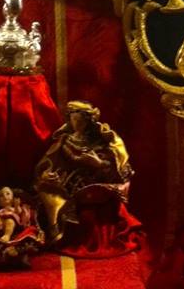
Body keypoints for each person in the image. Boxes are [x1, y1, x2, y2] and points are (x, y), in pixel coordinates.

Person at [35, 100, 143, 257]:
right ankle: (56, 232)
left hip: (96, 185)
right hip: (69, 185)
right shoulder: (65, 141)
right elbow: (48, 163)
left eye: (81, 120)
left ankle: (92, 240)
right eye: (73, 119)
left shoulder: (101, 141)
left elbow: (118, 169)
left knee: (92, 212)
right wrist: (47, 174)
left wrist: (99, 164)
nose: (77, 124)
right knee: (50, 195)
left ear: (89, 121)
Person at [0, 185, 44, 269]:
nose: (5, 196)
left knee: (10, 220)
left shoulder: (13, 209)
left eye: (8, 194)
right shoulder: (0, 211)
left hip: (13, 224)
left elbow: (19, 212)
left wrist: (16, 205)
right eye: (1, 196)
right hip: (0, 226)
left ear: (12, 198)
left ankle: (7, 235)